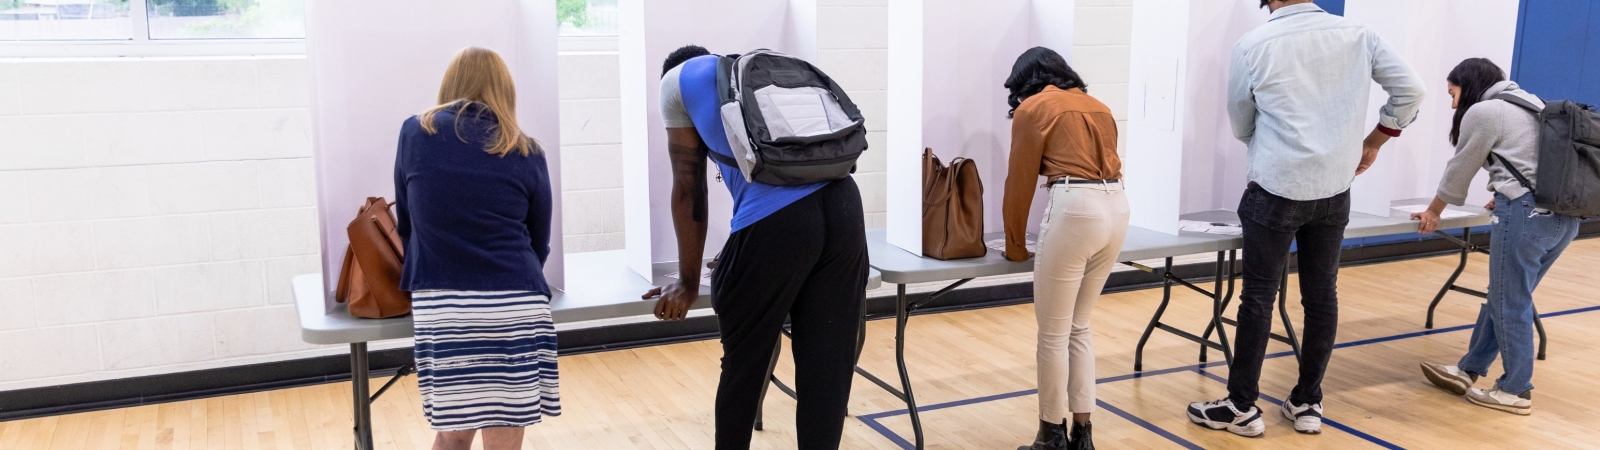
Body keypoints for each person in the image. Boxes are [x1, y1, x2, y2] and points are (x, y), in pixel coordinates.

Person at [1186, 0, 1425, 437]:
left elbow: (1241, 123)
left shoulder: (1252, 44)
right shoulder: (1357, 34)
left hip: (1276, 185)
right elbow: (1412, 90)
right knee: (1321, 296)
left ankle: (1241, 406)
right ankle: (1307, 401)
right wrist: (1376, 139)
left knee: (1258, 297)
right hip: (1335, 187)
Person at [642, 45, 869, 450]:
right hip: (846, 206)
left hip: (780, 223)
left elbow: (687, 186)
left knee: (745, 366)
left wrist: (688, 282)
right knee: (826, 368)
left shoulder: (673, 82)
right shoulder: (750, 77)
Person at [393, 47, 559, 450]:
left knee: (452, 433)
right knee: (504, 432)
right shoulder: (526, 149)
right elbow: (539, 240)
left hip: (444, 307)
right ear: (505, 92)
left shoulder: (415, 133)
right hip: (516, 304)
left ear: (451, 85)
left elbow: (407, 225)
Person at [1413, 58, 1579, 416]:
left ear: (1468, 86)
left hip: (1526, 218)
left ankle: (1516, 390)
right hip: (1564, 218)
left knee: (1508, 302)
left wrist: (1433, 211)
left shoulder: (1486, 111)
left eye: (1453, 93)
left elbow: (1459, 169)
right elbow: (1531, 161)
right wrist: (1506, 187)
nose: (1453, 104)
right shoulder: (1532, 103)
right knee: (1506, 297)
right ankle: (1469, 369)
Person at [1001, 47, 1127, 450]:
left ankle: (1050, 436)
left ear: (1026, 82)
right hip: (1118, 205)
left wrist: (1015, 246)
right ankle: (1082, 436)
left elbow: (1019, 184)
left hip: (1075, 208)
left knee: (1052, 335)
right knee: (1080, 326)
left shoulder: (1033, 108)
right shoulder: (1099, 106)